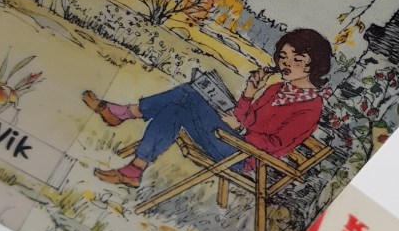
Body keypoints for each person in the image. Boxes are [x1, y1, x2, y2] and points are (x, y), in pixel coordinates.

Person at [83, 28, 332, 188]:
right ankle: (134, 169)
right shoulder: (276, 89)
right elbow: (245, 118)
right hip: (230, 139)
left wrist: (242, 131)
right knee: (175, 109)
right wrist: (249, 94)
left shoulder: (311, 108)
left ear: (315, 65)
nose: (286, 64)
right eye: (283, 57)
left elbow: (276, 145)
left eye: (297, 60)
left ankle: (126, 113)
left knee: (189, 93)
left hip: (243, 156)